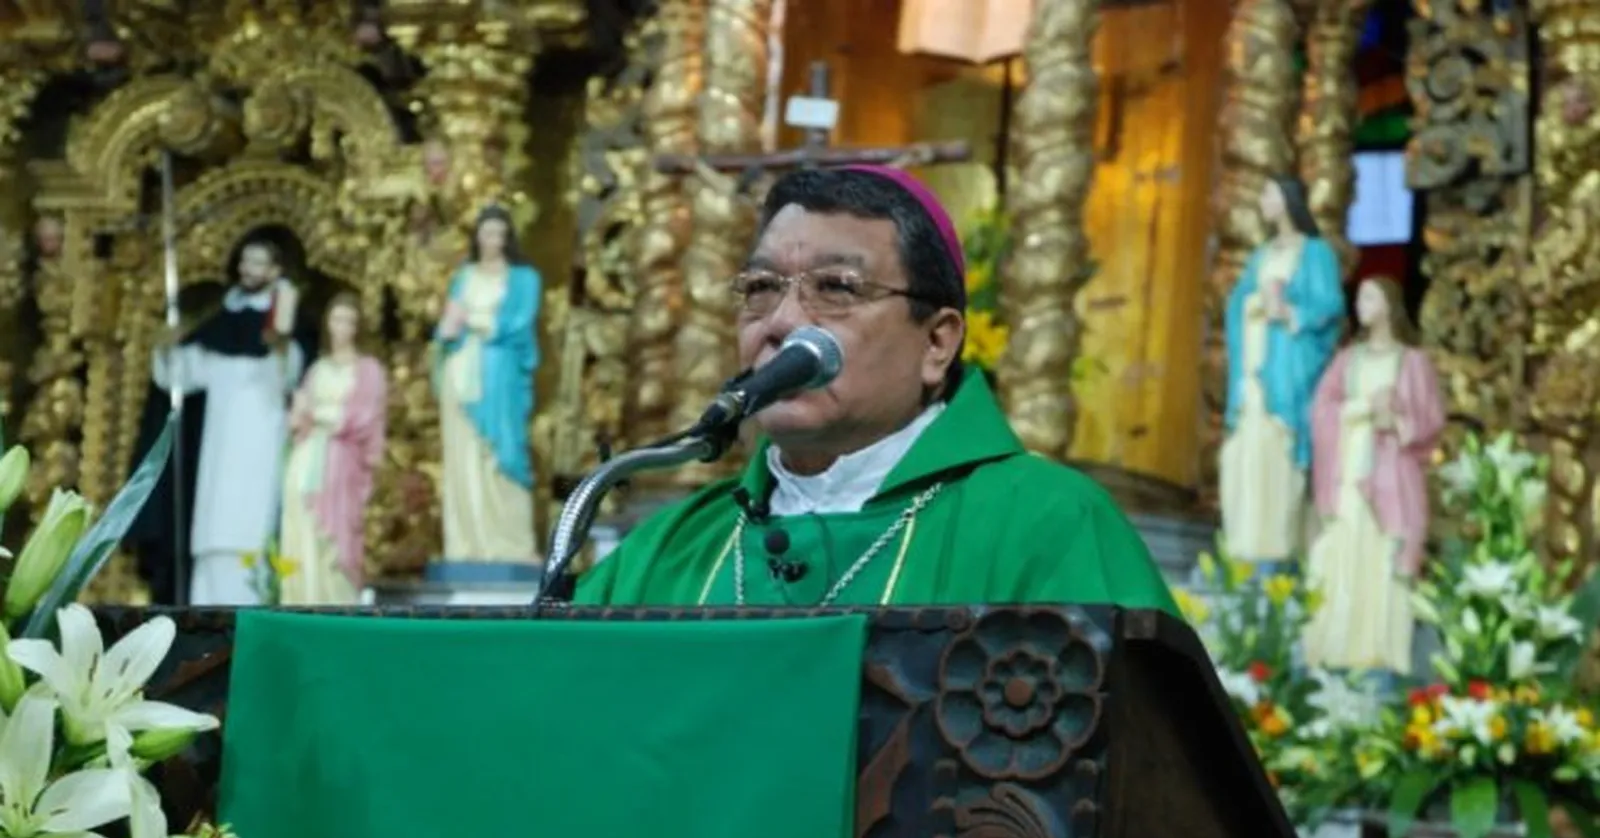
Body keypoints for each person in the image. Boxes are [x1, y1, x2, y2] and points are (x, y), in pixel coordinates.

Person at [575, 166, 1178, 612]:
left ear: (936, 342)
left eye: (836, 287)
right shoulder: (668, 550)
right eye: (761, 287)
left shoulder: (1050, 527)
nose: (782, 322)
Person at [150, 240, 305, 606]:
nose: (248, 269)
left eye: (258, 262)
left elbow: (292, 375)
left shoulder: (283, 327)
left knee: (255, 534)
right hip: (218, 458)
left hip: (262, 447)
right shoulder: (218, 322)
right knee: (214, 537)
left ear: (275, 271)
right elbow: (180, 374)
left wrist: (281, 344)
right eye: (245, 261)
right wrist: (165, 347)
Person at [1303, 277, 1444, 674]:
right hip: (1349, 472)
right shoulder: (1348, 360)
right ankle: (1337, 650)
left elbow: (1431, 420)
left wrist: (1396, 421)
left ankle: (1380, 655)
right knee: (1344, 553)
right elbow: (1321, 410)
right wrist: (1363, 408)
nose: (1361, 304)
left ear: (1389, 304)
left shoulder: (1412, 362)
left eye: (1369, 297)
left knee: (1385, 557)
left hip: (1392, 477)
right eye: (1360, 297)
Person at [1220, 175, 1345, 566]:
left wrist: (1289, 310)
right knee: (1245, 456)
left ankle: (1276, 553)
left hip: (1287, 372)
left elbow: (1329, 306)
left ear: (1289, 200)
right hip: (1253, 370)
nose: (1262, 200)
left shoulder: (1316, 253)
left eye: (1269, 193)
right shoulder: (1261, 255)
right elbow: (1237, 304)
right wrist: (1254, 303)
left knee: (1279, 457)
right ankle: (1241, 551)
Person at [433, 206, 541, 562]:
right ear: (477, 236)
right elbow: (448, 325)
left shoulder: (523, 279)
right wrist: (447, 333)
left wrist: (476, 322)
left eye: (499, 233)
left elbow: (520, 323)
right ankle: (466, 544)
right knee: (463, 457)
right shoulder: (463, 276)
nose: (493, 240)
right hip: (460, 373)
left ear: (508, 238)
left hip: (499, 372)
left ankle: (511, 543)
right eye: (487, 233)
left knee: (503, 451)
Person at [280, 294, 388, 606]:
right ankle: (301, 600)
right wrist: (299, 416)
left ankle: (334, 600)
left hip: (341, 460)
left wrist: (321, 415)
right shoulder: (317, 369)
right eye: (337, 319)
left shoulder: (367, 370)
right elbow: (301, 417)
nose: (342, 328)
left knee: (336, 535)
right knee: (301, 528)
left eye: (349, 321)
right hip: (306, 458)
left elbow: (366, 416)